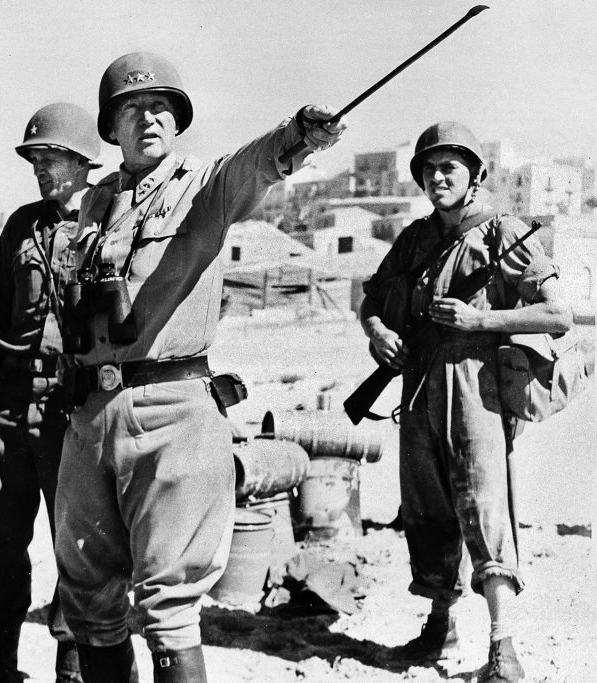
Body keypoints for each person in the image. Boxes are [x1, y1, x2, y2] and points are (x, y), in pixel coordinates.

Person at [52, 52, 345, 682]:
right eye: (132, 108)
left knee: (169, 602)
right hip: (91, 415)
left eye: (161, 107)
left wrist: (297, 134)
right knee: (87, 595)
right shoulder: (94, 204)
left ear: (178, 121)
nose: (148, 118)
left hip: (173, 413)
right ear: (112, 127)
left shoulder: (203, 188)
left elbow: (257, 163)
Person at [361, 121, 572, 683]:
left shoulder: (504, 233)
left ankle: (504, 647)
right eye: (429, 168)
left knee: (483, 504)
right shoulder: (413, 239)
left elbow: (558, 316)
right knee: (426, 509)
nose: (438, 177)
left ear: (475, 174)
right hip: (419, 384)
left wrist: (483, 319)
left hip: (476, 388)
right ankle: (439, 627)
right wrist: (378, 332)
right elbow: (374, 301)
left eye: (450, 167)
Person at [0, 102, 101, 683]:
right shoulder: (19, 226)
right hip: (6, 404)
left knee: (74, 544)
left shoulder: (109, 220)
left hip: (70, 406)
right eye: (35, 160)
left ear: (82, 161)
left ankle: (71, 669)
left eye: (51, 159)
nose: (41, 170)